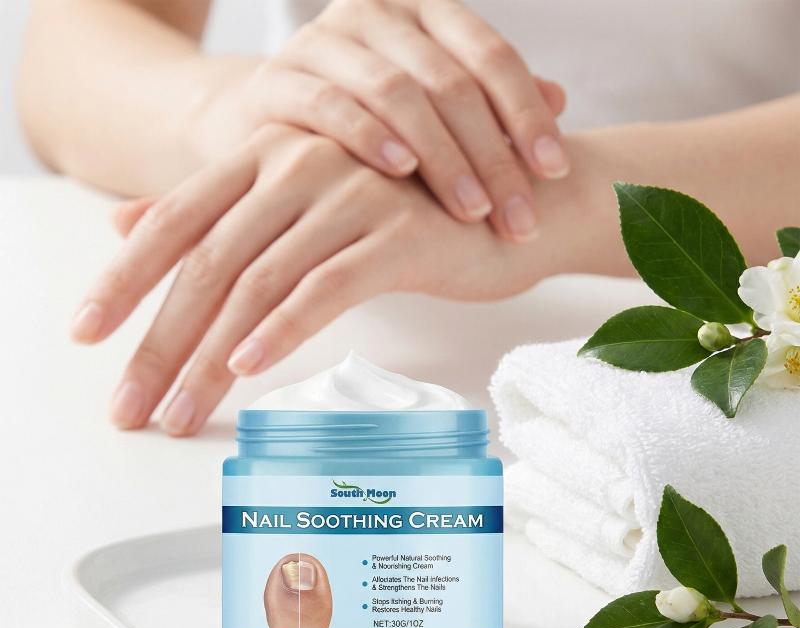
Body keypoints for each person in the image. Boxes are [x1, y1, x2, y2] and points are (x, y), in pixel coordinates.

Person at [18, 0, 800, 436]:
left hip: (735, 357)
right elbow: (69, 44)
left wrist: (553, 198)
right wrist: (256, 111)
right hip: (330, 317)